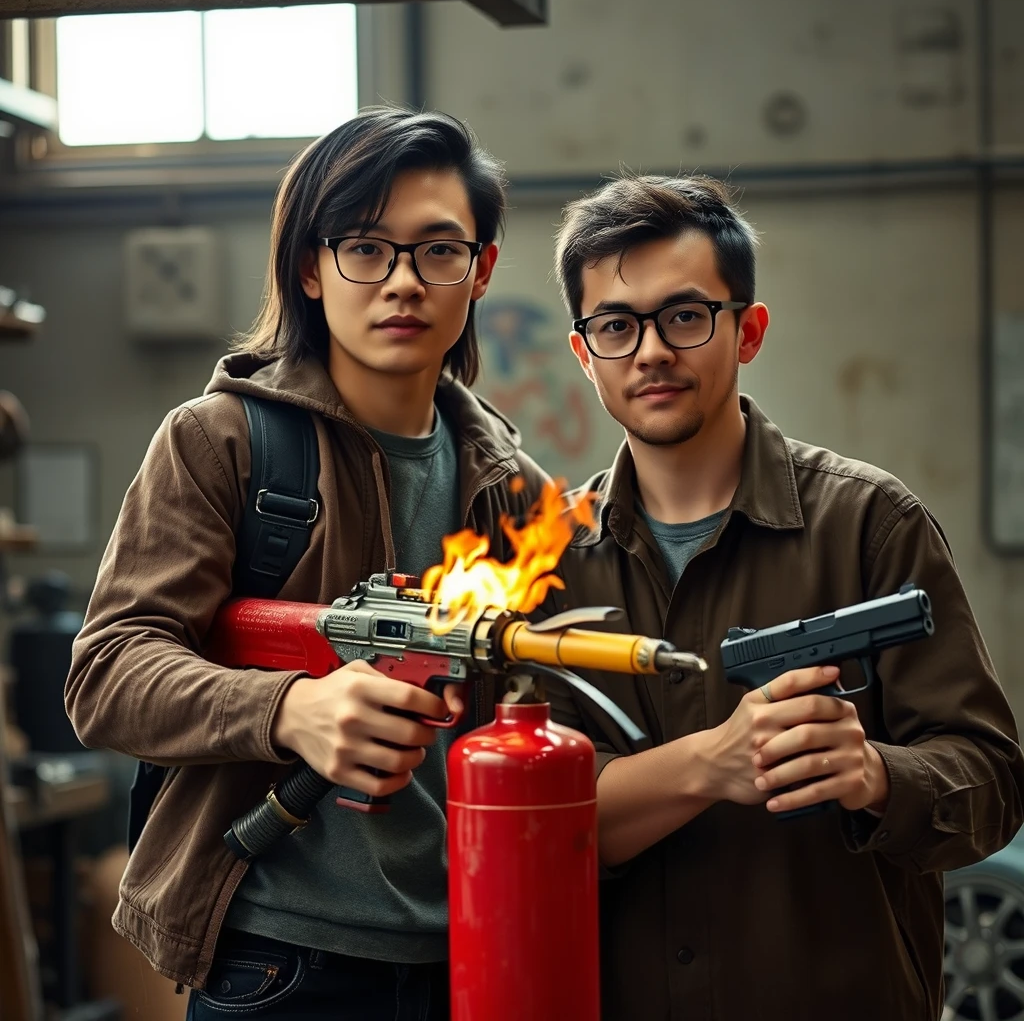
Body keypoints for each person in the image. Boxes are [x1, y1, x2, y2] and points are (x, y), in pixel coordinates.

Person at [65, 107, 548, 1021]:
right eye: (366, 247)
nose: (402, 282)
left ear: (479, 271)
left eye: (438, 250)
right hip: (278, 961)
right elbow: (107, 674)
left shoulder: (515, 491)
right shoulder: (219, 442)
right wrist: (291, 709)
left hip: (472, 955)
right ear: (310, 268)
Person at [546, 172, 1024, 1021]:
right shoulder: (541, 563)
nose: (651, 350)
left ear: (749, 330)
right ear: (585, 355)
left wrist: (877, 775)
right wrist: (710, 764)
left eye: (685, 316)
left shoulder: (873, 523)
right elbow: (531, 829)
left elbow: (990, 785)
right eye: (616, 326)